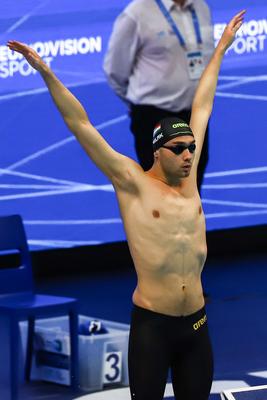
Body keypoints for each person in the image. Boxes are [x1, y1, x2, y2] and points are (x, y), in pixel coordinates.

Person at [7, 10, 245, 400]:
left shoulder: (189, 182)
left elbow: (202, 103)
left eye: (191, 148)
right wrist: (45, 72)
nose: (189, 156)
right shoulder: (131, 183)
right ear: (158, 152)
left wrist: (220, 49)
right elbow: (80, 125)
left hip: (197, 325)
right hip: (153, 325)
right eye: (180, 149)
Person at [103, 0, 214, 190]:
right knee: (160, 194)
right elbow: (115, 71)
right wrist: (142, 107)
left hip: (194, 116)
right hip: (154, 118)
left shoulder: (200, 8)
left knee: (192, 191)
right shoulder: (137, 13)